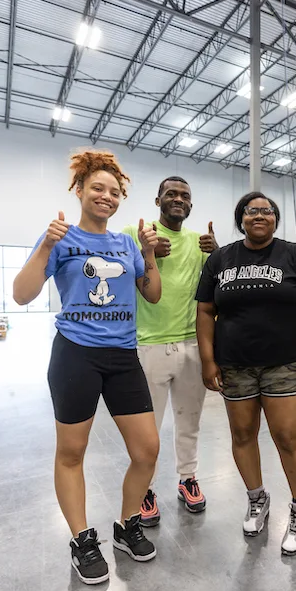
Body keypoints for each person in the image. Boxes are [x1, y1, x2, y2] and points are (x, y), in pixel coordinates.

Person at [13, 150, 163, 585]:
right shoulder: (60, 238)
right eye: (98, 188)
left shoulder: (125, 244)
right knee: (72, 453)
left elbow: (151, 294)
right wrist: (45, 244)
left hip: (122, 357)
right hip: (75, 355)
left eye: (115, 192)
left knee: (147, 449)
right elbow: (22, 295)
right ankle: (82, 539)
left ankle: (126, 523)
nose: (107, 196)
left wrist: (149, 253)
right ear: (79, 190)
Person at [195, 192, 296, 555]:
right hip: (234, 363)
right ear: (241, 219)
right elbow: (205, 310)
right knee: (242, 434)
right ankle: (257, 498)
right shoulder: (221, 258)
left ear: (275, 219)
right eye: (251, 211)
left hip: (284, 362)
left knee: (287, 437)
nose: (259, 216)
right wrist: (208, 360)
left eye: (267, 211)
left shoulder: (295, 255)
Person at [121, 176, 217, 526]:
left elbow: (215, 286)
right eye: (171, 194)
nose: (178, 199)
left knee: (189, 420)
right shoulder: (136, 231)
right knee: (147, 427)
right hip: (149, 343)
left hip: (191, 343)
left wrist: (217, 250)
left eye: (185, 196)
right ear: (157, 199)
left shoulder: (199, 242)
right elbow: (116, 268)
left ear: (190, 205)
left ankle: (187, 478)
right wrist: (144, 251)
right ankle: (144, 487)